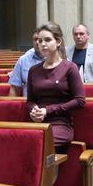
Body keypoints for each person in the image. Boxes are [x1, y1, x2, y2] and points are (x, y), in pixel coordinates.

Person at [26, 22, 85, 151]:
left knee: (38, 145)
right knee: (19, 143)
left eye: (47, 40)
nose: (42, 44)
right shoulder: (33, 70)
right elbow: (30, 101)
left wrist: (47, 110)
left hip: (60, 123)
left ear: (58, 42)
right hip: (37, 122)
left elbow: (80, 101)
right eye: (40, 41)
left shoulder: (70, 68)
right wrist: (34, 109)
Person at [9, 28, 44, 96]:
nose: (37, 42)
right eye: (35, 39)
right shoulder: (23, 60)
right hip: (28, 101)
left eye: (41, 39)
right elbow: (14, 89)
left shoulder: (57, 60)